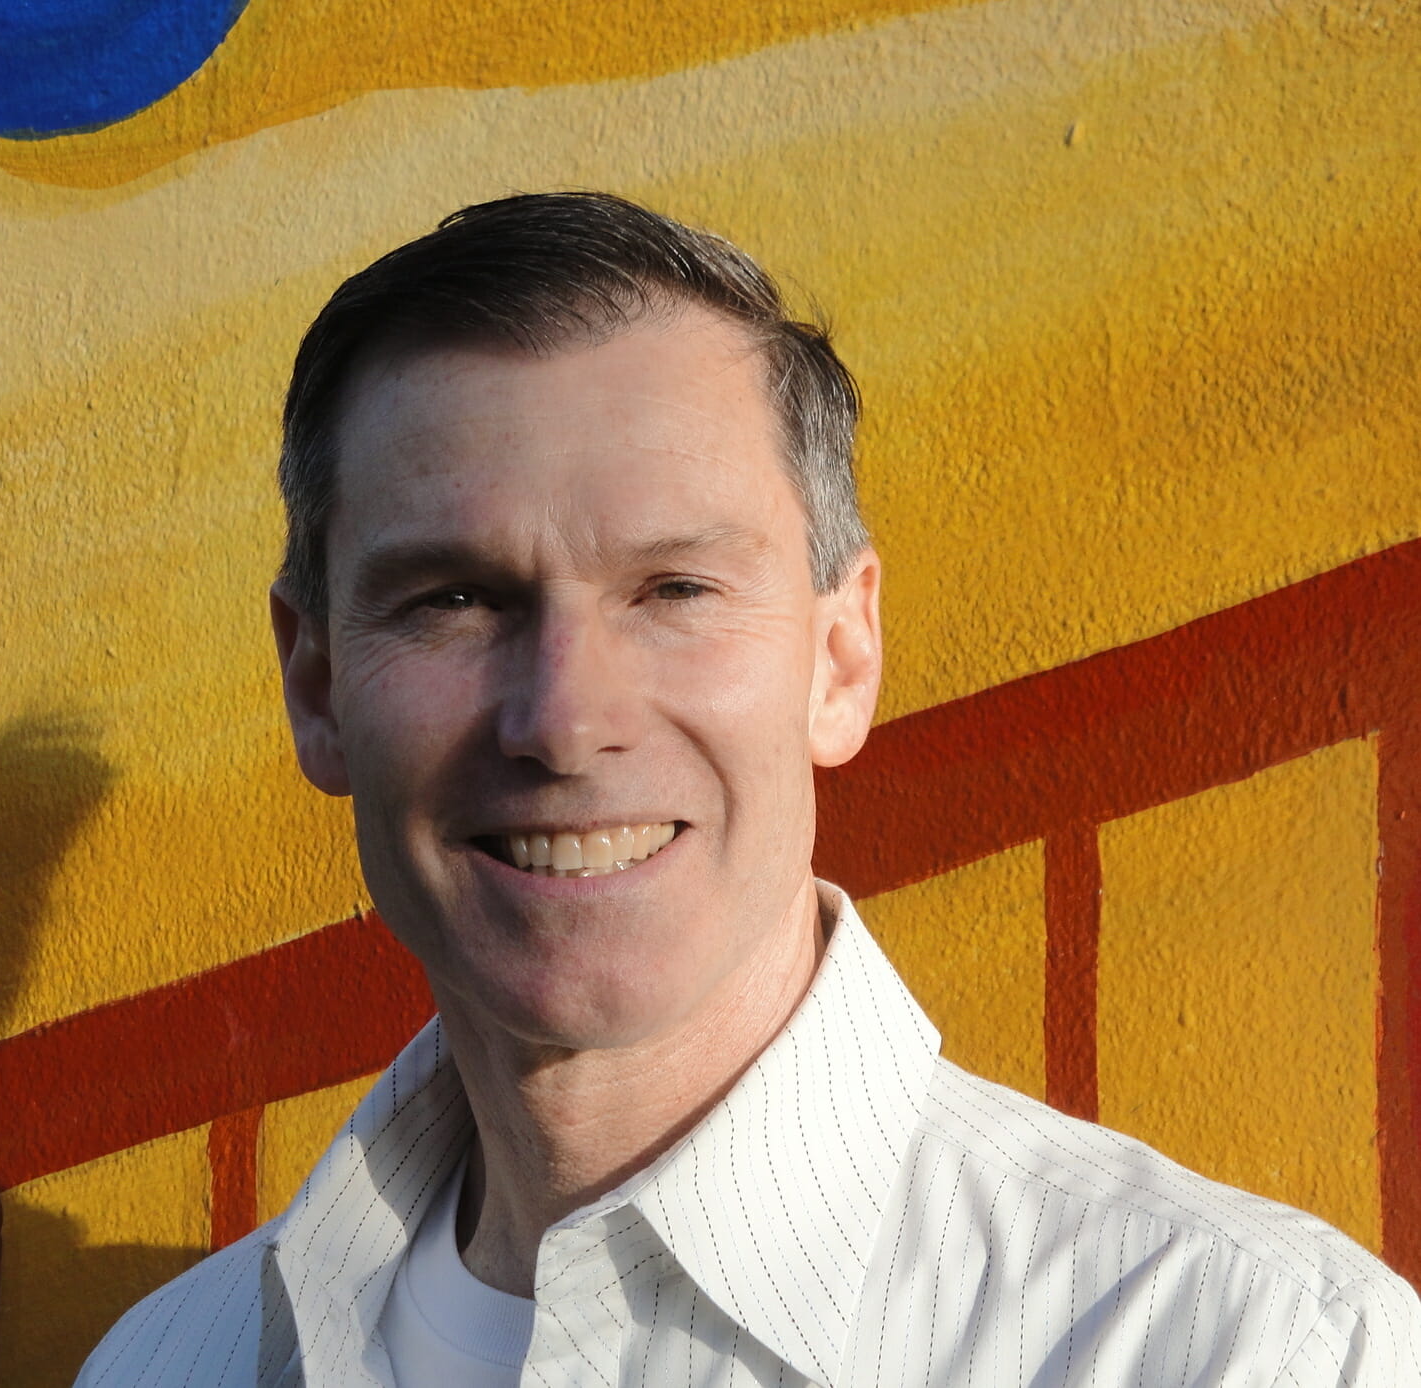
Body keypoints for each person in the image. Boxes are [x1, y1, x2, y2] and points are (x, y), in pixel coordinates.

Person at [77, 192, 1421, 1386]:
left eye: (674, 590)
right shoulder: (172, 1362)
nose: (564, 719)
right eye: (455, 599)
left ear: (843, 658)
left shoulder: (1239, 1352)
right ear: (316, 688)